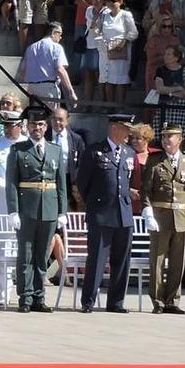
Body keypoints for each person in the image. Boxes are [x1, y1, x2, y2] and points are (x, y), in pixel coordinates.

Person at [4, 102, 67, 314]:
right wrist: (13, 210)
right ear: (26, 127)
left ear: (46, 126)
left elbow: (60, 184)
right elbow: (11, 182)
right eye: (32, 125)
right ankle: (26, 297)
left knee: (42, 256)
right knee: (26, 255)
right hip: (27, 208)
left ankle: (39, 297)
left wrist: (62, 211)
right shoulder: (18, 150)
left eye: (40, 124)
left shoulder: (55, 151)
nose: (37, 128)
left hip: (48, 208)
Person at [76, 114, 137, 312]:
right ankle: (88, 301)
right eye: (125, 128)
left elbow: (129, 182)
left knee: (121, 260)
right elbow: (83, 183)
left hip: (124, 214)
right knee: (97, 259)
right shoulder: (94, 152)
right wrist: (95, 204)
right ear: (113, 128)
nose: (129, 132)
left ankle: (116, 302)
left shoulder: (129, 153)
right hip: (101, 213)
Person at [144, 124, 185, 314]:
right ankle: (158, 301)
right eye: (164, 137)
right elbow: (146, 191)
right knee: (158, 261)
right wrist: (148, 214)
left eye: (170, 136)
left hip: (182, 217)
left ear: (179, 139)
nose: (166, 140)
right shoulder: (155, 161)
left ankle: (172, 300)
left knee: (178, 262)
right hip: (161, 217)